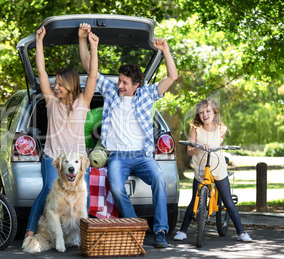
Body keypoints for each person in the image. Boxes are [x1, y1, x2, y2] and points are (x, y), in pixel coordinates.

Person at [80, 29, 178, 248]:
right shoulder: (111, 92)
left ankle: (160, 230)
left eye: (125, 82)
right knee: (116, 187)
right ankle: (135, 224)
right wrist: (85, 42)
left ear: (136, 85)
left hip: (142, 156)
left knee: (160, 182)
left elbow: (173, 77)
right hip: (118, 157)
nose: (120, 85)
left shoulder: (146, 95)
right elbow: (89, 68)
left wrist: (165, 50)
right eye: (120, 81)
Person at [24, 24, 99, 238]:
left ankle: (83, 235)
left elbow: (92, 76)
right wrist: (39, 41)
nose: (56, 87)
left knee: (83, 196)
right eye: (55, 84)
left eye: (60, 84)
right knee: (49, 189)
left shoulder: (83, 102)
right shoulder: (51, 102)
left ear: (70, 84)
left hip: (78, 160)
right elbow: (41, 71)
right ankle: (30, 231)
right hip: (53, 158)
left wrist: (93, 47)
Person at [173, 99, 252, 242]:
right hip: (201, 169)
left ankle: (241, 233)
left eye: (208, 111)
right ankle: (183, 231)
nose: (205, 114)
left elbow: (218, 147)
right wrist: (200, 147)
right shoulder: (195, 128)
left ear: (214, 112)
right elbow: (190, 151)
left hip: (218, 167)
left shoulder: (221, 129)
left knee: (228, 201)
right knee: (195, 200)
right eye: (201, 112)